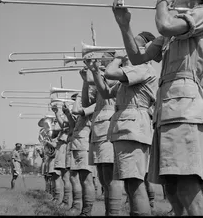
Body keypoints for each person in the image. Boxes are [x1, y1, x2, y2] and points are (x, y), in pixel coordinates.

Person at [113, 0, 203, 216]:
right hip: (167, 110)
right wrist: (124, 25)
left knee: (188, 188)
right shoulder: (172, 30)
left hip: (185, 109)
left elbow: (165, 24)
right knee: (171, 188)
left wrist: (161, 1)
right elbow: (138, 57)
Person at [85, 31, 158, 216]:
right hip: (126, 128)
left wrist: (118, 58)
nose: (129, 48)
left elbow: (110, 72)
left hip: (133, 128)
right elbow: (106, 93)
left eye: (135, 45)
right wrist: (94, 71)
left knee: (135, 185)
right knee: (129, 183)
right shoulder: (132, 72)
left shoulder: (142, 68)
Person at [84, 54, 123, 216]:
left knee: (111, 177)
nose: (101, 59)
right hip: (98, 130)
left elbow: (107, 85)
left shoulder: (116, 74)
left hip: (109, 129)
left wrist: (94, 72)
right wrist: (85, 81)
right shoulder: (101, 76)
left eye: (105, 57)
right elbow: (86, 104)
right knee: (103, 179)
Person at [66, 75, 97, 216]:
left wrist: (79, 95)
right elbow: (73, 125)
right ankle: (77, 206)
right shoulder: (86, 106)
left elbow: (76, 109)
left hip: (84, 145)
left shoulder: (93, 105)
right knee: (74, 177)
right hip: (77, 145)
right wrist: (65, 113)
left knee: (86, 179)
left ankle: (86, 211)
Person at [50, 103, 73, 207]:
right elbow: (60, 126)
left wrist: (58, 113)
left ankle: (66, 201)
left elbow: (62, 124)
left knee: (65, 177)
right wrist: (57, 113)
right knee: (64, 176)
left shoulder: (71, 115)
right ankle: (64, 200)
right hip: (62, 146)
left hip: (64, 146)